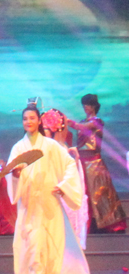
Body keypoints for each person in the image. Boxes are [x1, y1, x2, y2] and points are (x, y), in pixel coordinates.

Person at [7, 106, 89, 274]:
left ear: (39, 121)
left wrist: (64, 185)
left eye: (32, 118)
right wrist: (15, 176)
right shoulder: (18, 148)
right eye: (25, 119)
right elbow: (11, 172)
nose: (28, 122)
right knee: (32, 251)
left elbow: (69, 164)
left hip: (50, 205)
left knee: (52, 250)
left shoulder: (51, 146)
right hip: (29, 206)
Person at [67, 94, 127, 233]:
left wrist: (68, 122)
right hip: (82, 162)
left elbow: (80, 127)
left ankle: (105, 223)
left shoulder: (96, 121)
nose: (85, 107)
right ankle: (87, 222)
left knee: (100, 195)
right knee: (84, 194)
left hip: (94, 163)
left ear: (94, 106)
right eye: (84, 105)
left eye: (87, 104)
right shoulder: (83, 121)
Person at [41, 108, 88, 249]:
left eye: (46, 129)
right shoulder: (43, 148)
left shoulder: (62, 150)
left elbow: (72, 178)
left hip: (60, 197)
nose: (43, 132)